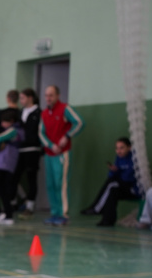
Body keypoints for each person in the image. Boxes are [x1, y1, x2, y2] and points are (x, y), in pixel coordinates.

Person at [39, 85, 84, 226]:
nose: (48, 98)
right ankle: (54, 213)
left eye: (51, 95)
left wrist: (67, 136)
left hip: (63, 154)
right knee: (51, 184)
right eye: (46, 95)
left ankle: (63, 214)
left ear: (58, 95)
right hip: (49, 154)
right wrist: (50, 145)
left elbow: (79, 122)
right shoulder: (44, 113)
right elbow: (41, 133)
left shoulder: (65, 108)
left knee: (61, 183)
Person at [82, 137, 142, 227]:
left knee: (111, 183)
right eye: (117, 148)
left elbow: (128, 178)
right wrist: (114, 170)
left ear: (129, 148)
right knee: (112, 190)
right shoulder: (119, 157)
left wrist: (118, 172)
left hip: (133, 189)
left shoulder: (135, 158)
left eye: (122, 148)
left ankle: (96, 208)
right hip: (123, 186)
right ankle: (107, 220)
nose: (119, 151)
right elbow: (111, 175)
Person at [14, 88, 42, 217]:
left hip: (33, 149)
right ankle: (16, 202)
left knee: (31, 178)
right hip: (20, 150)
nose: (21, 101)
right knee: (14, 177)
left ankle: (30, 206)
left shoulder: (39, 112)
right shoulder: (20, 113)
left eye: (23, 98)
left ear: (30, 97)